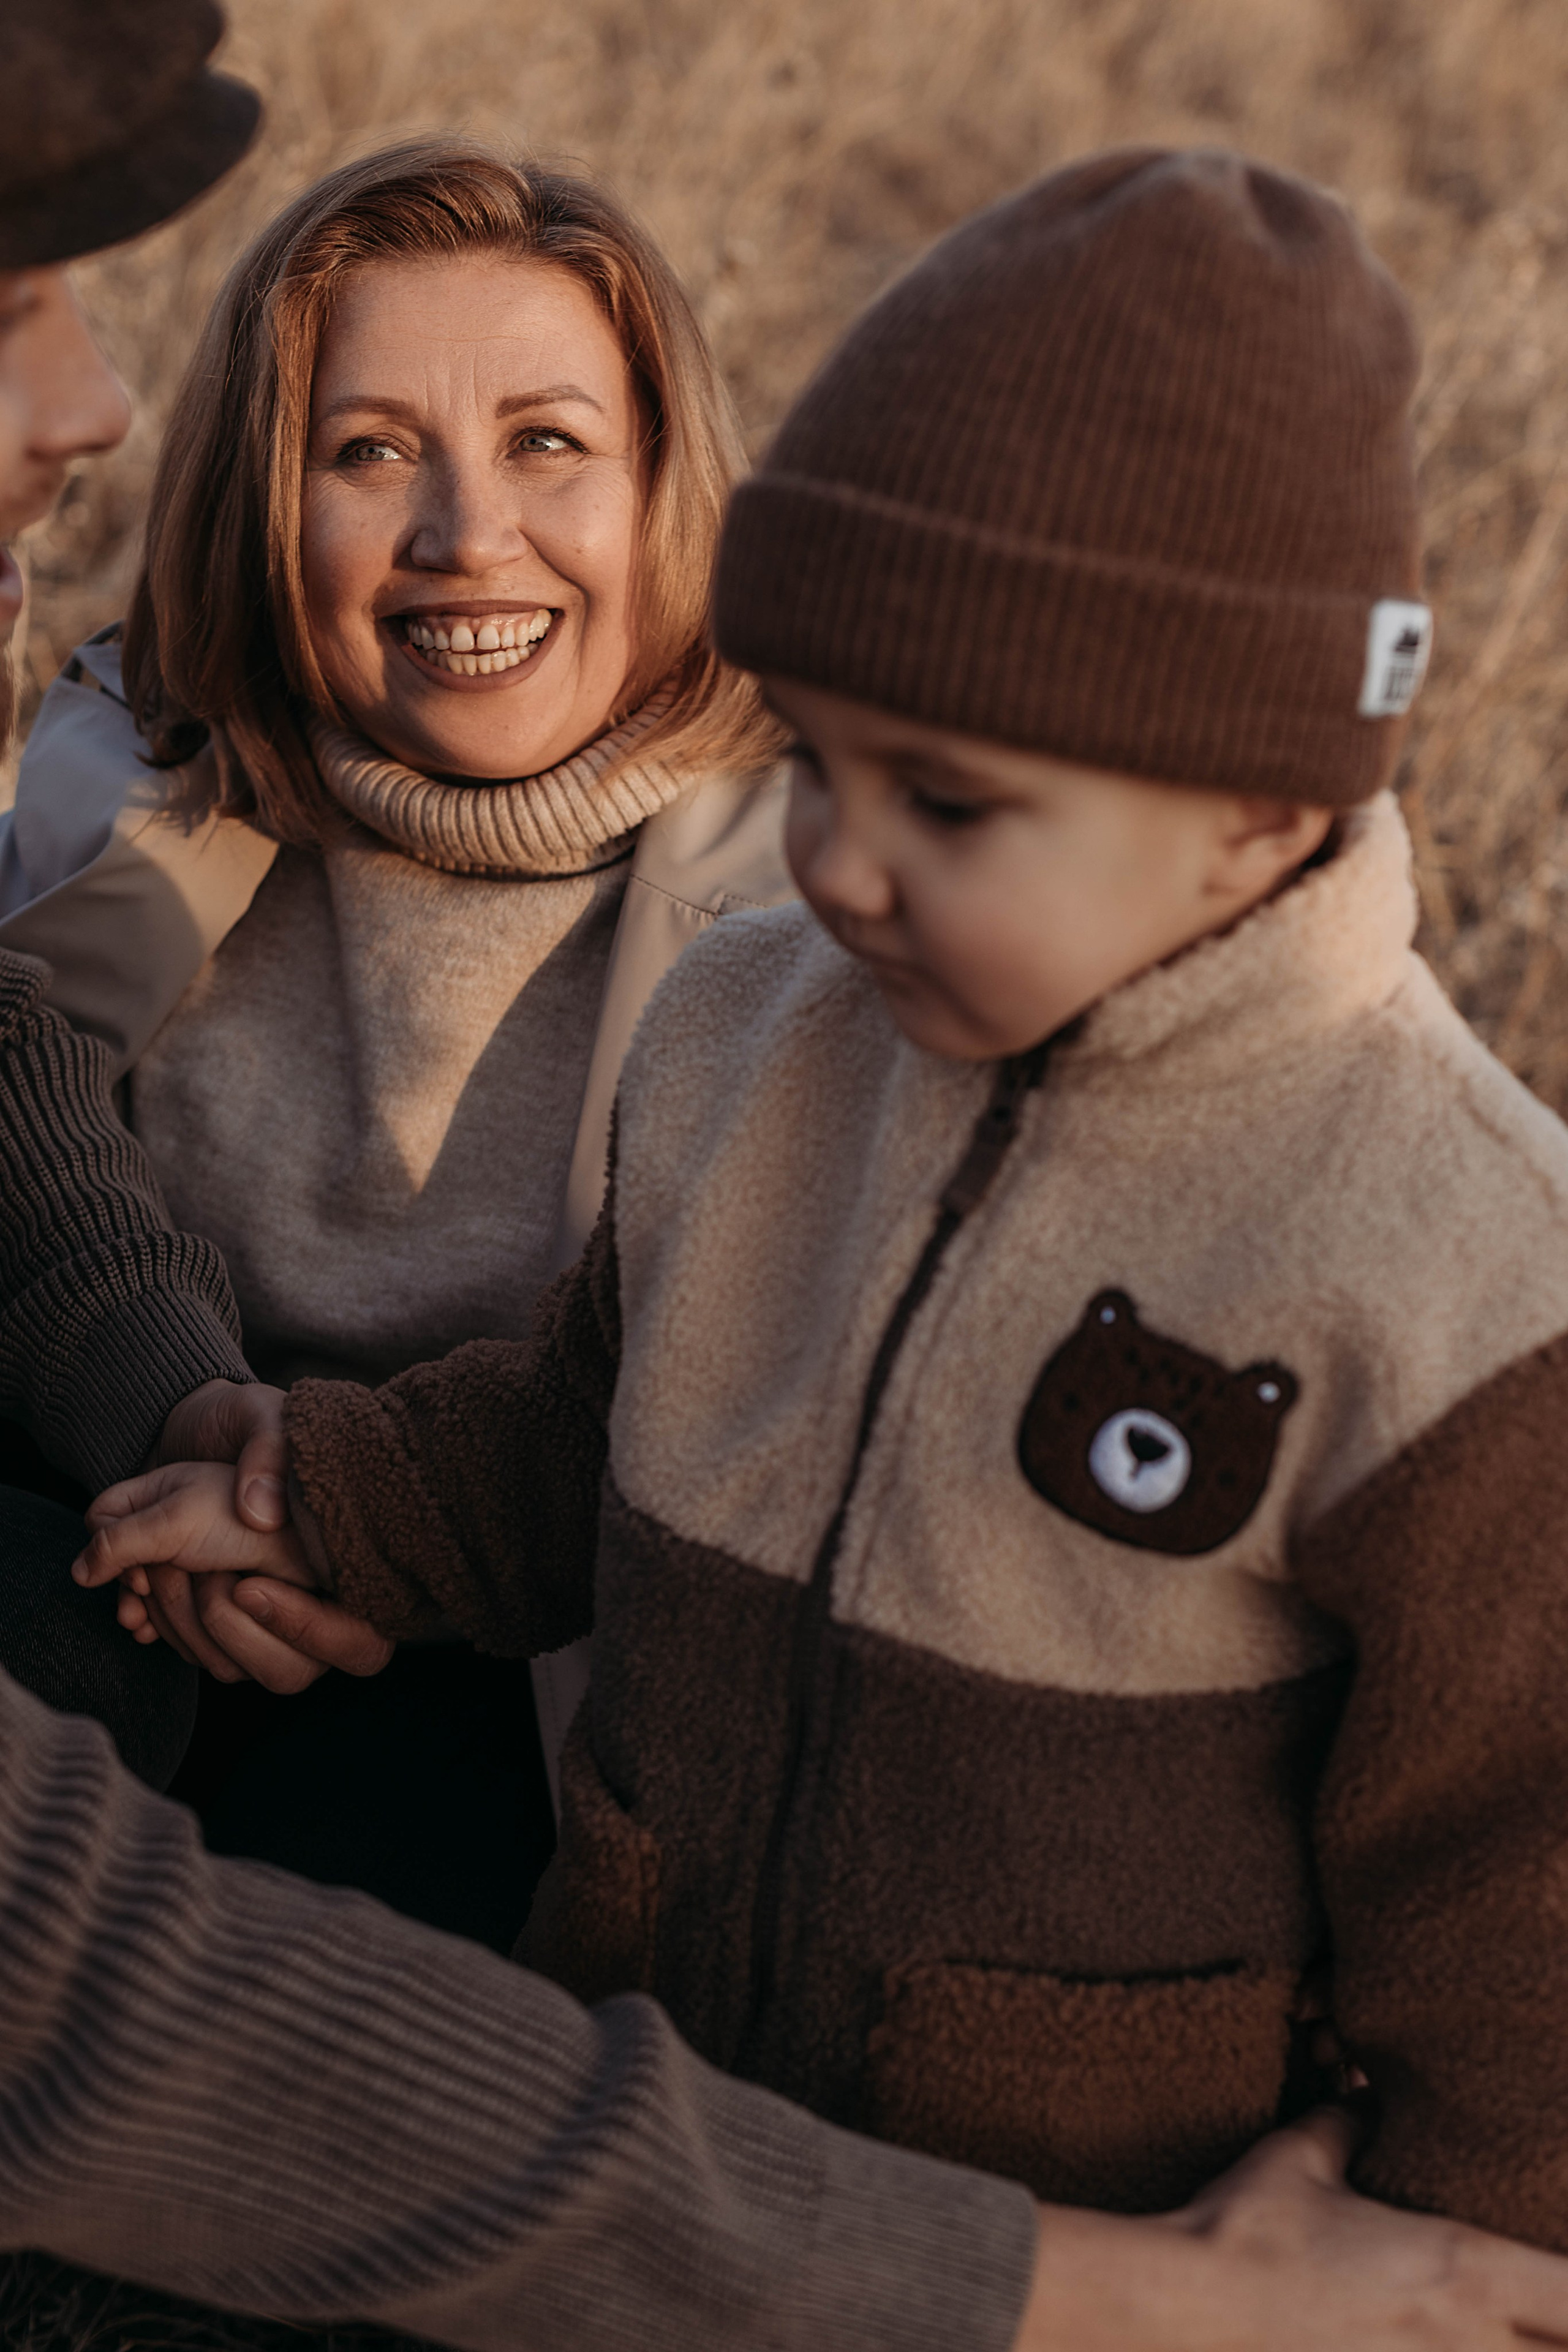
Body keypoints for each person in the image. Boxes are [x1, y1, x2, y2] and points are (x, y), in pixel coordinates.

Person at [5, 19, 1568, 2348]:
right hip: (648, 2016)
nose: (840, 862)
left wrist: (1471, 2256)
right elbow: (562, 1419)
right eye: (822, 767)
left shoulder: (1426, 1252)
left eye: (941, 807)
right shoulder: (730, 1020)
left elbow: (1508, 1868)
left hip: (1066, 2157)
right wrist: (297, 1491)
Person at [0, 133, 794, 1934]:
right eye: (369, 452)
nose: (465, 538)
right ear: (267, 501)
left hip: (536, 1681)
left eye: (548, 445)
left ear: (663, 484)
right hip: (114, 1565)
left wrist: (340, 1527)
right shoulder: (118, 796)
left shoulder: (833, 899)